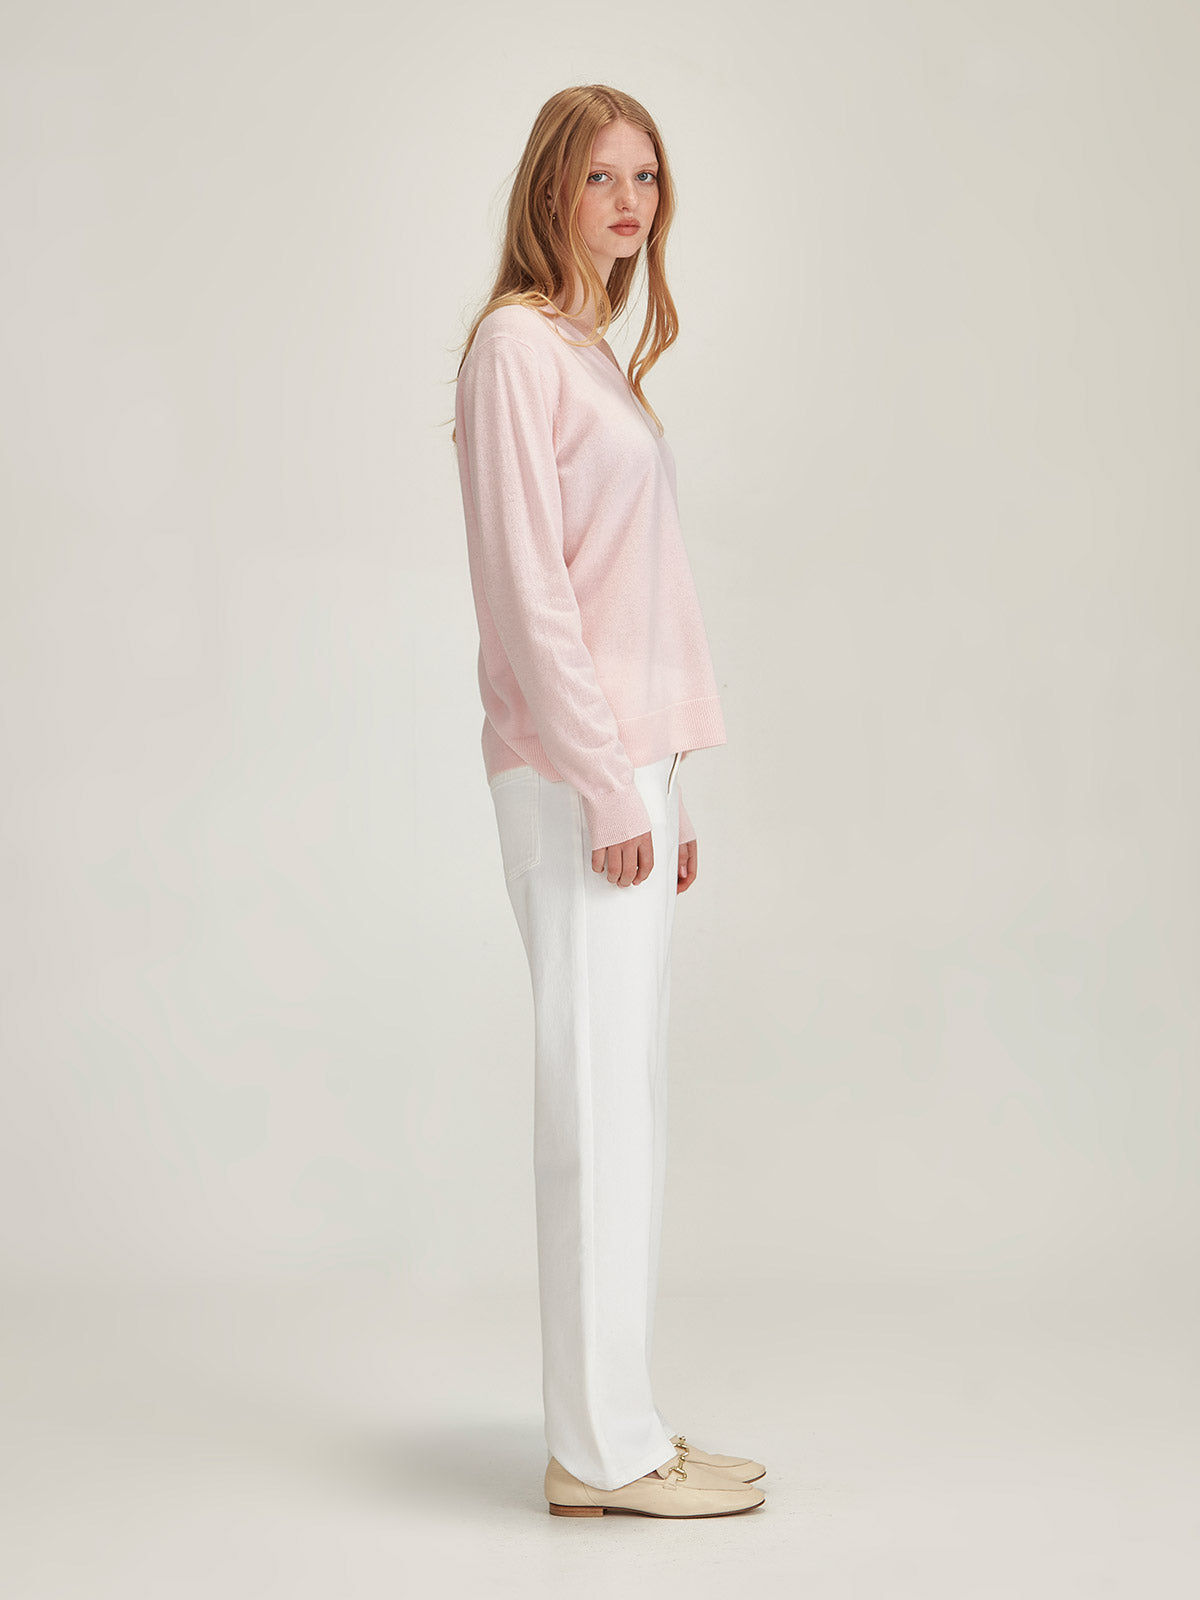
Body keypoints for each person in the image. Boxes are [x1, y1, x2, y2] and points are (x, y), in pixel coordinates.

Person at [450, 85, 767, 1519]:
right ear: (550, 190)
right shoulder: (516, 350)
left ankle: (623, 1428)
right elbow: (528, 592)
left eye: (646, 176)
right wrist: (600, 774)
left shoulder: (590, 357)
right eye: (600, 177)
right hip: (572, 768)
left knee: (625, 1103)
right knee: (592, 1104)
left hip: (624, 766)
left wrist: (664, 783)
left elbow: (635, 600)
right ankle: (596, 1451)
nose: (629, 202)